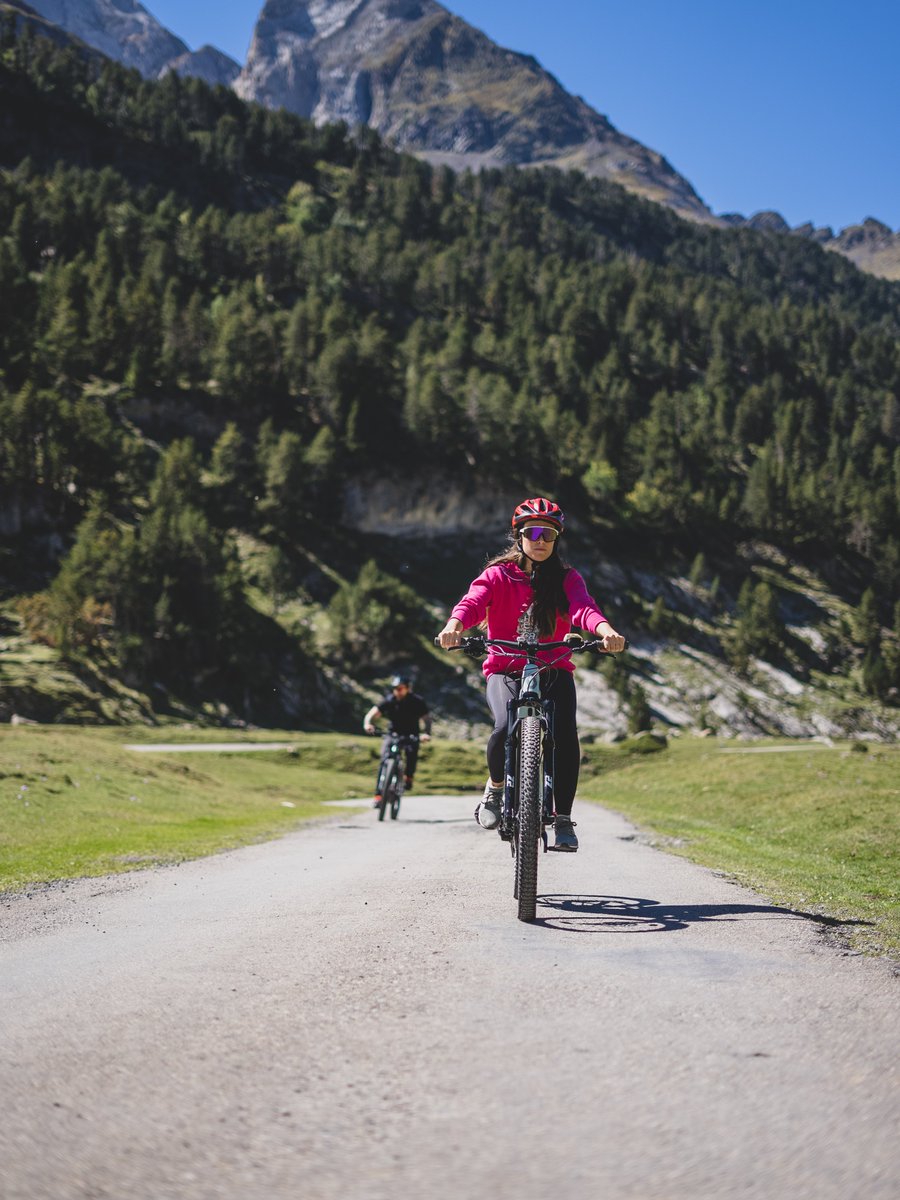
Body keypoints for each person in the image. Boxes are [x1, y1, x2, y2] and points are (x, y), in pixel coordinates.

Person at [437, 497, 626, 851]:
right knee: (503, 727)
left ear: (557, 540)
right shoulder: (498, 575)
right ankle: (494, 790)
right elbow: (473, 601)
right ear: (518, 535)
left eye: (549, 534)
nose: (540, 540)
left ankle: (565, 819)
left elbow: (584, 608)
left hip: (553, 668)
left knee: (566, 736)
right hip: (504, 668)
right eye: (533, 532)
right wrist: (455, 626)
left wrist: (605, 632)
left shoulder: (567, 578)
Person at [363, 674, 432, 805]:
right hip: (392, 733)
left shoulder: (417, 701)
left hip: (411, 734)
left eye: (400, 688)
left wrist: (426, 733)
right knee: (384, 760)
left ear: (407, 688)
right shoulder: (389, 700)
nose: (397, 691)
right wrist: (368, 724)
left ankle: (408, 777)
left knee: (412, 753)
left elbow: (426, 719)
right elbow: (372, 714)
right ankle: (378, 795)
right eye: (395, 688)